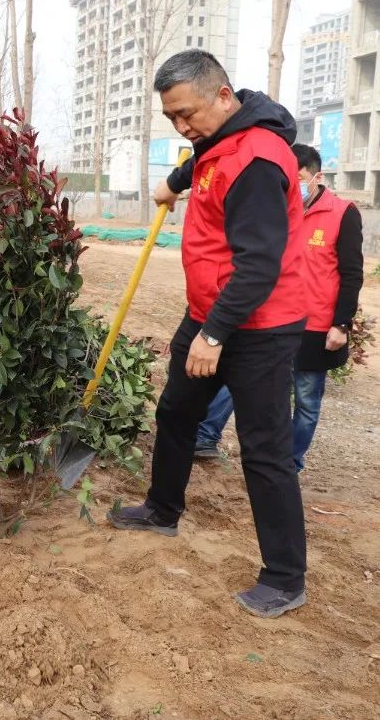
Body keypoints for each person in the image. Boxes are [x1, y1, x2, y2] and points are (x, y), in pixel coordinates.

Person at [106, 50, 309, 618]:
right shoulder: (219, 139)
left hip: (260, 325)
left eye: (186, 113)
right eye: (171, 117)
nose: (181, 126)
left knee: (265, 449)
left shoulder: (260, 161)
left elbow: (261, 264)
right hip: (209, 311)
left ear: (224, 96)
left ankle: (285, 577)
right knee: (175, 412)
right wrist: (173, 182)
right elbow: (202, 159)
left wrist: (214, 335)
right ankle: (162, 508)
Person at [194, 144, 363, 469]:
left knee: (307, 401)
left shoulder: (342, 213)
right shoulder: (276, 211)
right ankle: (204, 437)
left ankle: (289, 463)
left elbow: (352, 273)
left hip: (316, 326)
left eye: (298, 178)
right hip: (270, 318)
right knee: (239, 378)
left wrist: (341, 324)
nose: (290, 186)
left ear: (317, 176)